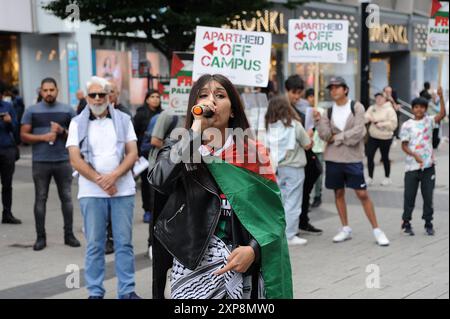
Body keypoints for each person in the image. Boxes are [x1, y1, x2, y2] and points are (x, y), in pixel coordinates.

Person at [149, 74, 292, 299]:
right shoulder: (180, 147)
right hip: (191, 267)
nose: (211, 101)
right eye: (203, 96)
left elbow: (273, 217)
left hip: (240, 267)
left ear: (232, 109)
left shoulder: (254, 154)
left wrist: (254, 250)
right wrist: (196, 131)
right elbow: (159, 179)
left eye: (220, 95)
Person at [66, 76, 141, 299]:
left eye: (102, 94)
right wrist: (102, 181)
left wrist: (114, 177)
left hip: (123, 190)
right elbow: (75, 159)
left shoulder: (124, 119)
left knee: (124, 244)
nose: (98, 99)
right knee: (95, 245)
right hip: (91, 193)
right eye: (93, 95)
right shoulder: (76, 123)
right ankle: (95, 292)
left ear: (109, 96)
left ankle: (127, 291)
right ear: (87, 98)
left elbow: (133, 153)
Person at [313, 76, 390, 246]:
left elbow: (358, 133)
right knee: (338, 192)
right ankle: (345, 227)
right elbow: (325, 135)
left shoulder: (356, 107)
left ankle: (377, 229)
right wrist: (318, 121)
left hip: (353, 158)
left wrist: (337, 137)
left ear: (345, 89)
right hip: (333, 158)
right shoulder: (328, 111)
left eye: (336, 87)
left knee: (362, 193)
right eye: (331, 88)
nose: (333, 90)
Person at [21, 78, 80, 251]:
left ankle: (69, 235)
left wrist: (62, 131)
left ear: (57, 90)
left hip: (62, 160)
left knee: (67, 198)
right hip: (40, 161)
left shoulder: (67, 110)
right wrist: (43, 137)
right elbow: (23, 136)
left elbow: (77, 135)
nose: (48, 93)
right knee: (40, 198)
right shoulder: (31, 110)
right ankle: (40, 238)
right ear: (40, 91)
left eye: (51, 90)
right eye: (45, 90)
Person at [265, 95, 312, 246]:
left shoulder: (268, 127)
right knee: (293, 202)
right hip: (294, 168)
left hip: (275, 168)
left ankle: (279, 232)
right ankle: (290, 235)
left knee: (280, 201)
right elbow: (307, 144)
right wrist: (310, 132)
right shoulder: (294, 125)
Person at [399, 88, 446, 236]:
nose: (419, 110)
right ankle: (406, 222)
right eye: (416, 107)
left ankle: (428, 223)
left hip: (428, 167)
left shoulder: (429, 121)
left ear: (426, 109)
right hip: (411, 167)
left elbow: (442, 114)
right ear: (412, 109)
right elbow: (404, 145)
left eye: (422, 107)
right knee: (409, 196)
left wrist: (441, 97)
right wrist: (414, 155)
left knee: (428, 197)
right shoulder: (407, 125)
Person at [285, 75, 323, 236]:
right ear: (287, 90)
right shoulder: (281, 109)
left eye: (299, 93)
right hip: (289, 159)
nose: (297, 96)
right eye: (294, 92)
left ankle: (300, 222)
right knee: (290, 195)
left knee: (302, 191)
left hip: (300, 156)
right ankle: (291, 229)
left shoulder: (298, 109)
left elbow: (306, 133)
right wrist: (306, 135)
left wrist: (314, 123)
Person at [133, 90, 162, 224]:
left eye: (157, 97)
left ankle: (158, 210)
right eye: (152, 97)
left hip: (160, 154)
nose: (155, 99)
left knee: (159, 183)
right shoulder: (140, 114)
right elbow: (134, 135)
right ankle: (147, 210)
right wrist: (137, 154)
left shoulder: (162, 115)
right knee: (146, 183)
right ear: (147, 99)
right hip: (144, 155)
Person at [364, 92, 398, 186]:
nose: (378, 99)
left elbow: (393, 124)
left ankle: (387, 177)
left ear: (385, 99)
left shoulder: (390, 110)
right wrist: (369, 118)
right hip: (373, 136)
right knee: (369, 156)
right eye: (377, 97)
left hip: (385, 137)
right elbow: (365, 118)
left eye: (380, 97)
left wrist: (382, 124)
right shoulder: (372, 108)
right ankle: (370, 177)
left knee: (385, 157)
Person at [0, 82, 21, 224]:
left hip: (7, 149)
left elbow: (16, 128)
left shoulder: (8, 107)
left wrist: (9, 121)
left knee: (7, 184)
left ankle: (7, 213)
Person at [304, 88, 326, 208]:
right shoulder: (306, 111)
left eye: (314, 96)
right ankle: (308, 196)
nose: (312, 99)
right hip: (307, 147)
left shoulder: (321, 111)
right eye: (310, 96)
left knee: (318, 173)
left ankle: (318, 195)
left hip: (319, 147)